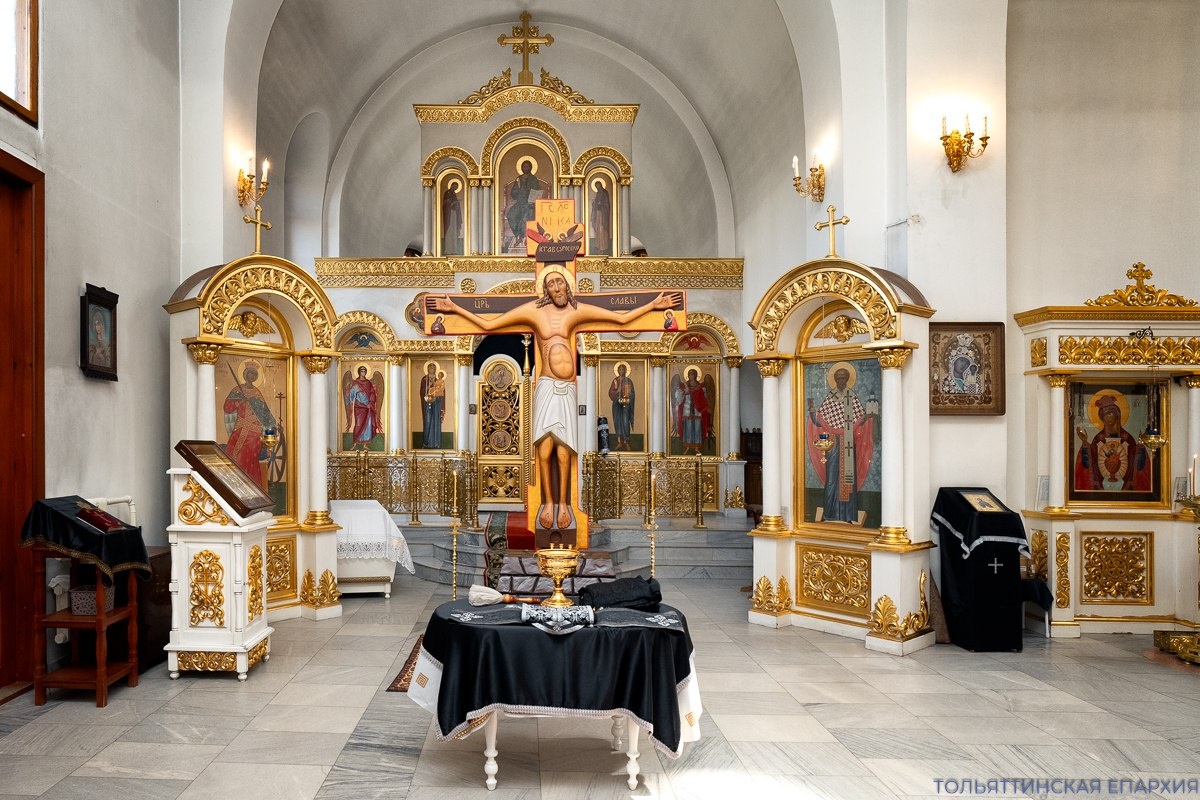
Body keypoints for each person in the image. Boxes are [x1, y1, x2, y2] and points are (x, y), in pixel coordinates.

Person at [430, 270, 680, 530]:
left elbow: (620, 319)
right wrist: (454, 308)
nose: (557, 287)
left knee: (564, 452)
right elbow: (488, 325)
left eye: (560, 282)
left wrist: (654, 305)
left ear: (566, 286)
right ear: (546, 290)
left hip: (567, 388)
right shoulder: (534, 312)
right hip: (547, 385)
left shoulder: (576, 311)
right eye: (551, 284)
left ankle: (563, 503)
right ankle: (548, 502)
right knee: (545, 449)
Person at [805, 363, 876, 523]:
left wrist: (868, 417)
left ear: (848, 379)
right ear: (835, 379)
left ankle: (847, 516)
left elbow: (860, 419)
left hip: (848, 442)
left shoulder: (852, 397)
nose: (841, 381)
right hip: (833, 444)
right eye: (838, 378)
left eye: (843, 378)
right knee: (831, 479)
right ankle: (829, 514)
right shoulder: (830, 398)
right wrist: (812, 411)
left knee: (848, 479)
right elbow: (819, 421)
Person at [1074, 393, 1151, 491]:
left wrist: (1140, 449)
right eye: (1104, 415)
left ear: (1117, 415)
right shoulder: (1098, 439)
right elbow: (1089, 464)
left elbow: (1137, 466)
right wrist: (1085, 445)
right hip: (1101, 487)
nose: (1108, 417)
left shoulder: (1127, 438)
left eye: (1110, 413)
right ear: (1101, 418)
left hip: (1126, 488)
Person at [223, 362, 276, 489]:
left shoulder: (257, 393)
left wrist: (270, 425)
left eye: (254, 374)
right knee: (232, 452)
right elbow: (227, 408)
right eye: (250, 373)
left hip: (254, 431)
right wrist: (239, 401)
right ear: (245, 374)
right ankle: (233, 485)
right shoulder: (237, 391)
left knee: (250, 456)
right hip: (240, 428)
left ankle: (252, 486)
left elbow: (264, 412)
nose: (252, 376)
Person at [672, 367, 711, 455]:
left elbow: (704, 398)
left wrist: (696, 393)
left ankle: (697, 447)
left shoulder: (700, 387)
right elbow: (678, 397)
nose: (691, 376)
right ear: (688, 376)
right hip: (687, 409)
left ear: (696, 375)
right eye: (689, 374)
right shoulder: (684, 386)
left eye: (692, 374)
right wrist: (684, 392)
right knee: (688, 428)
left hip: (697, 410)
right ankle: (687, 446)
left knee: (697, 428)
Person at [504, 158, 541, 249]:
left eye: (527, 166)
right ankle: (518, 236)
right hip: (520, 203)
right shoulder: (518, 179)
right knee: (511, 215)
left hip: (530, 204)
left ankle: (526, 238)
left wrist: (531, 199)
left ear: (531, 167)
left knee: (525, 216)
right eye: (524, 166)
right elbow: (513, 194)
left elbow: (537, 191)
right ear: (521, 168)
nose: (526, 168)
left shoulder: (533, 179)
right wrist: (518, 190)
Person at [344, 365, 383, 451]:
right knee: (358, 424)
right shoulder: (355, 383)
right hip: (359, 407)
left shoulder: (368, 383)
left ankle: (365, 444)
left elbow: (372, 393)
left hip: (368, 407)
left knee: (368, 425)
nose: (363, 372)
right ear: (359, 372)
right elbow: (351, 394)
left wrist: (370, 402)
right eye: (362, 371)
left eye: (364, 371)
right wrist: (349, 392)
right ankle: (355, 443)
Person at [607, 362, 636, 451]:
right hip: (616, 404)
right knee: (617, 422)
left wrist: (628, 395)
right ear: (618, 370)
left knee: (625, 421)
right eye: (620, 369)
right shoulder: (615, 381)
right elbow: (610, 393)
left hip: (626, 404)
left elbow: (632, 393)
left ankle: (626, 441)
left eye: (623, 369)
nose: (622, 371)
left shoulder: (629, 381)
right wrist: (617, 391)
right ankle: (619, 442)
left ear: (626, 371)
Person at [420, 362, 445, 449]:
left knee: (436, 421)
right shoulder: (424, 379)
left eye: (433, 368)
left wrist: (437, 389)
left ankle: (436, 443)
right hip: (427, 403)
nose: (432, 369)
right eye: (430, 367)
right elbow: (422, 391)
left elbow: (442, 391)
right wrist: (429, 387)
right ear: (427, 369)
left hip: (437, 402)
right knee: (427, 421)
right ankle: (426, 443)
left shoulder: (439, 380)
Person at [590, 177, 611, 255]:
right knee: (598, 230)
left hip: (603, 215)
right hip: (598, 214)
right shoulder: (598, 193)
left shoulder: (605, 192)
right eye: (596, 187)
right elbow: (596, 204)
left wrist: (600, 204)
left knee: (602, 231)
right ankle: (599, 247)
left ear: (601, 185)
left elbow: (607, 204)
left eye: (598, 186)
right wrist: (594, 203)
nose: (597, 188)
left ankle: (603, 247)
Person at [441, 180, 463, 255]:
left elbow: (455, 204)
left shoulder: (454, 194)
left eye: (456, 188)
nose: (455, 188)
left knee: (454, 231)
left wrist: (456, 203)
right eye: (455, 187)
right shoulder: (447, 193)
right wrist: (452, 202)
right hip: (448, 215)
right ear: (452, 185)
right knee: (449, 230)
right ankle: (448, 249)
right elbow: (444, 203)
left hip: (454, 214)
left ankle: (454, 250)